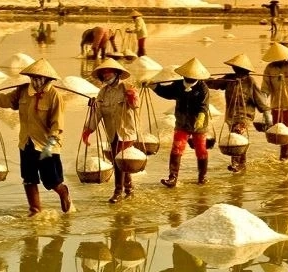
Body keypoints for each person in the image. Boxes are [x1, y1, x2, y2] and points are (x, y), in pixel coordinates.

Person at [0, 58, 71, 217]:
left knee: (52, 181)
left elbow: (57, 124)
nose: (36, 80)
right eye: (33, 77)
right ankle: (35, 209)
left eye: (39, 77)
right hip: (26, 142)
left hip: (47, 145)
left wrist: (50, 143)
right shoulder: (23, 91)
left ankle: (63, 192)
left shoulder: (54, 96)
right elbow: (7, 100)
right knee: (29, 178)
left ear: (47, 79)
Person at [81, 59, 139, 203]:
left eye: (109, 72)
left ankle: (118, 192)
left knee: (120, 162)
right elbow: (98, 113)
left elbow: (135, 106)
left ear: (116, 73)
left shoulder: (127, 87)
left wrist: (132, 97)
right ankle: (129, 189)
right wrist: (88, 130)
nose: (106, 75)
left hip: (126, 132)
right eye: (104, 74)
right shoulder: (103, 93)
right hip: (112, 133)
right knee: (119, 162)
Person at [149, 58, 212, 187]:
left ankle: (202, 176)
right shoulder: (178, 85)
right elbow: (167, 93)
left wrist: (200, 118)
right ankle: (172, 177)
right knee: (177, 149)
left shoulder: (203, 88)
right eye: (187, 77)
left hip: (198, 124)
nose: (189, 79)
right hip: (182, 123)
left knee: (200, 150)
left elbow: (203, 106)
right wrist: (154, 86)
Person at [205, 54, 272, 173]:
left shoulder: (250, 81)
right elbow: (215, 84)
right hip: (231, 116)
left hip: (245, 116)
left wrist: (267, 117)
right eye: (235, 68)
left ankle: (237, 164)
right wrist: (203, 78)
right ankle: (240, 164)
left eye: (238, 68)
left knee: (237, 135)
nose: (235, 70)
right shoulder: (229, 78)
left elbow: (260, 99)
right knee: (235, 139)